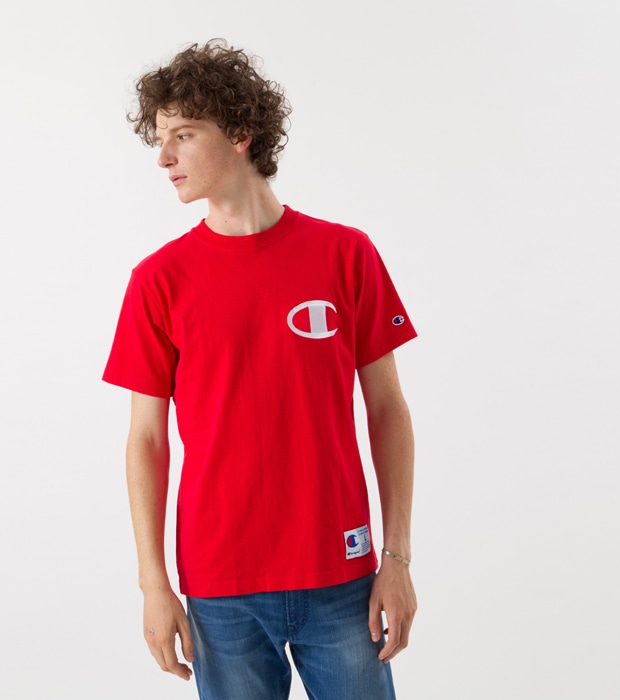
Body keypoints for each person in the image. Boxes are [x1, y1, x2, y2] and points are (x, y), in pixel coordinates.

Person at [103, 39, 417, 700]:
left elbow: (387, 409)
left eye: (183, 135)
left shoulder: (346, 255)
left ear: (241, 133)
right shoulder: (158, 282)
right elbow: (147, 439)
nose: (163, 158)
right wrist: (154, 583)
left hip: (343, 576)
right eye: (159, 139)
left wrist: (396, 556)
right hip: (220, 589)